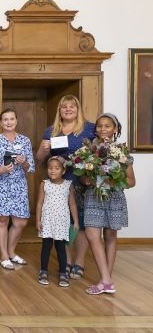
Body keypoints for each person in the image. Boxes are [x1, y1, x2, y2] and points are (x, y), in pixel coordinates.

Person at [35, 95, 95, 280]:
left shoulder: (89, 128)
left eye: (72, 106)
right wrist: (45, 149)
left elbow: (95, 154)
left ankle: (80, 262)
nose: (68, 109)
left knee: (81, 224)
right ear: (59, 110)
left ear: (78, 109)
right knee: (64, 223)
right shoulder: (51, 131)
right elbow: (39, 158)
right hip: (59, 184)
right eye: (64, 107)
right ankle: (67, 261)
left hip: (82, 181)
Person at [83, 113, 136, 295]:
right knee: (92, 234)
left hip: (114, 198)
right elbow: (83, 176)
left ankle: (105, 281)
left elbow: (131, 181)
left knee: (110, 236)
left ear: (115, 129)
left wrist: (110, 182)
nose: (103, 129)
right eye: (99, 126)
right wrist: (87, 180)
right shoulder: (88, 150)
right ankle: (106, 280)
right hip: (93, 197)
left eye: (107, 126)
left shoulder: (121, 152)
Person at [0, 108, 35, 270]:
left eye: (11, 119)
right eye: (5, 119)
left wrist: (24, 162)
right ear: (1, 122)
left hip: (19, 186)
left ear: (16, 121)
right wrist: (0, 169)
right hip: (0, 186)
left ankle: (12, 252)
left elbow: (30, 167)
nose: (8, 122)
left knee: (20, 221)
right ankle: (4, 256)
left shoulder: (25, 141)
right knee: (2, 220)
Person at [36, 156, 79, 287]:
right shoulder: (44, 184)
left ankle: (62, 273)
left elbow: (72, 204)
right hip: (48, 221)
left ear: (64, 170)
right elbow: (39, 203)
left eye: (57, 168)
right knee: (46, 246)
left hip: (62, 222)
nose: (53, 171)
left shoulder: (68, 185)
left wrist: (76, 221)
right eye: (50, 168)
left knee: (61, 247)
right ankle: (43, 271)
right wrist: (38, 220)